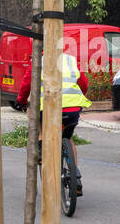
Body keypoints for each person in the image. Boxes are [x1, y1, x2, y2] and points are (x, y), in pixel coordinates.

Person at [15, 51, 91, 195]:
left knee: (42, 132)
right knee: (68, 137)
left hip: (49, 107)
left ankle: (43, 160)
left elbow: (26, 84)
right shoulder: (70, 59)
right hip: (72, 106)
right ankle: (75, 178)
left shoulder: (39, 60)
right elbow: (83, 83)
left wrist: (21, 101)